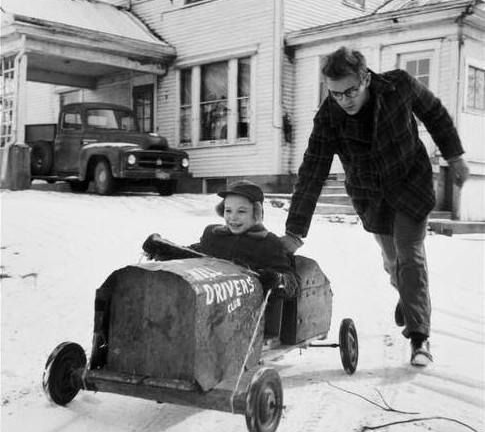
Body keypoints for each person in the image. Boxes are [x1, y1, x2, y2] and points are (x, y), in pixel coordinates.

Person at [280, 46, 469, 367]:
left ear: (366, 79)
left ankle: (419, 337)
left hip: (411, 184)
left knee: (410, 256)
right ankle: (408, 299)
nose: (344, 100)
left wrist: (455, 156)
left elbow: (434, 112)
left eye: (350, 91)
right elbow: (312, 171)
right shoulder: (329, 117)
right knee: (393, 262)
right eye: (335, 93)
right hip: (371, 197)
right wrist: (294, 232)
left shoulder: (400, 86)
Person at [143, 180, 298, 299]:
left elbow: (292, 282)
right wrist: (164, 249)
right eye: (228, 210)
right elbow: (194, 256)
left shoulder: (268, 243)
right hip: (207, 304)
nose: (232, 218)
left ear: (256, 213)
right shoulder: (214, 235)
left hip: (247, 315)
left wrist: (276, 279)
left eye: (241, 211)